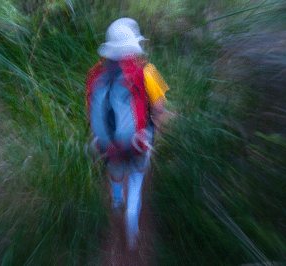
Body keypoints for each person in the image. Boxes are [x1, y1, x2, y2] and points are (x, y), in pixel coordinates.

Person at [85, 17, 170, 249]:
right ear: (134, 45)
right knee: (137, 175)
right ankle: (131, 217)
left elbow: (90, 109)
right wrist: (156, 128)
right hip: (137, 140)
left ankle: (116, 200)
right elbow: (159, 108)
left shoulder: (95, 74)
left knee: (116, 168)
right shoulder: (147, 70)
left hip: (107, 144)